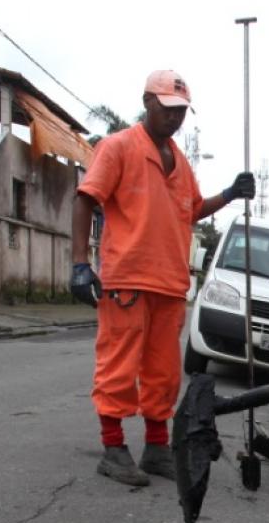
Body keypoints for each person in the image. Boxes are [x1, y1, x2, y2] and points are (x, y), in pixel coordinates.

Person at [69, 70, 255, 487]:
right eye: (168, 108)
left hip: (169, 284)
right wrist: (79, 263)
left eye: (181, 111)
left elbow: (190, 209)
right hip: (128, 281)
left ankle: (155, 448)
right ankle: (114, 449)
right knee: (118, 368)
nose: (175, 118)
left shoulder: (181, 162)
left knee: (164, 374)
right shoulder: (118, 147)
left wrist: (229, 194)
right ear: (148, 102)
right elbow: (86, 198)